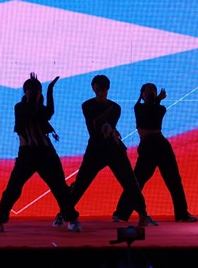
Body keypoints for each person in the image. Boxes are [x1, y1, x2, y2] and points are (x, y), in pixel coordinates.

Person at [52, 74, 158, 228]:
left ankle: (143, 215)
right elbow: (95, 126)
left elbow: (107, 125)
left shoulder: (116, 108)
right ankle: (62, 214)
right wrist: (108, 126)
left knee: (130, 183)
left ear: (107, 88)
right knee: (80, 184)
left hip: (114, 150)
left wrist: (109, 128)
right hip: (95, 150)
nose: (100, 91)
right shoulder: (87, 106)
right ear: (93, 88)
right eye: (97, 88)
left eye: (102, 88)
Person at [0, 73, 81, 233]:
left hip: (46, 153)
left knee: (59, 188)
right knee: (13, 189)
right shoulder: (20, 108)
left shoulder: (41, 109)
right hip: (27, 155)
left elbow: (49, 112)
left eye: (36, 90)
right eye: (30, 90)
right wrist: (37, 95)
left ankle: (72, 219)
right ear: (25, 92)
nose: (33, 93)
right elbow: (30, 112)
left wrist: (50, 91)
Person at [112, 83, 197, 223]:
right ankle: (120, 214)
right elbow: (147, 114)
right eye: (147, 92)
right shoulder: (138, 108)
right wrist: (156, 100)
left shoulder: (161, 109)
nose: (150, 94)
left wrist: (156, 101)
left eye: (152, 92)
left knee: (174, 180)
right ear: (142, 95)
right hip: (147, 147)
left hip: (161, 145)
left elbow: (154, 114)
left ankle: (182, 214)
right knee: (137, 181)